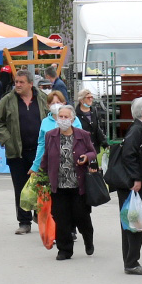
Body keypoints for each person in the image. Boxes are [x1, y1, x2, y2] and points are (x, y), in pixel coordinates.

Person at [0, 70, 48, 234]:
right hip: (17, 152)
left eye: (21, 82)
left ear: (31, 83)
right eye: (16, 82)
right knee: (21, 187)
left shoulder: (43, 98)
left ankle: (39, 214)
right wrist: (8, 141)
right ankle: (24, 222)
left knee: (41, 186)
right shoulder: (7, 100)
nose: (17, 85)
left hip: (40, 152)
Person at [39, 103, 97, 260]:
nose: (63, 120)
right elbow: (46, 157)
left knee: (81, 216)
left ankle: (88, 239)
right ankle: (64, 249)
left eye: (66, 117)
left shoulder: (82, 134)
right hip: (59, 184)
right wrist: (40, 176)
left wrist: (87, 157)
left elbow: (92, 152)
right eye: (60, 117)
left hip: (78, 185)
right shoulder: (50, 135)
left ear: (72, 119)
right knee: (61, 217)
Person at [114, 97, 142, 275]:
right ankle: (131, 261)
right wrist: (137, 178)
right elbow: (129, 155)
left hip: (133, 184)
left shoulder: (140, 129)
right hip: (132, 186)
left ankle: (130, 261)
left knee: (131, 221)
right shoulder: (138, 130)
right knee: (135, 222)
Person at [29, 90, 83, 173]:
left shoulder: (74, 120)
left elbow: (81, 142)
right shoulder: (45, 122)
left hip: (71, 163)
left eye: (58, 102)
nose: (55, 105)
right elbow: (42, 145)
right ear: (48, 106)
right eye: (52, 103)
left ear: (64, 103)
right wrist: (35, 166)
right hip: (50, 164)